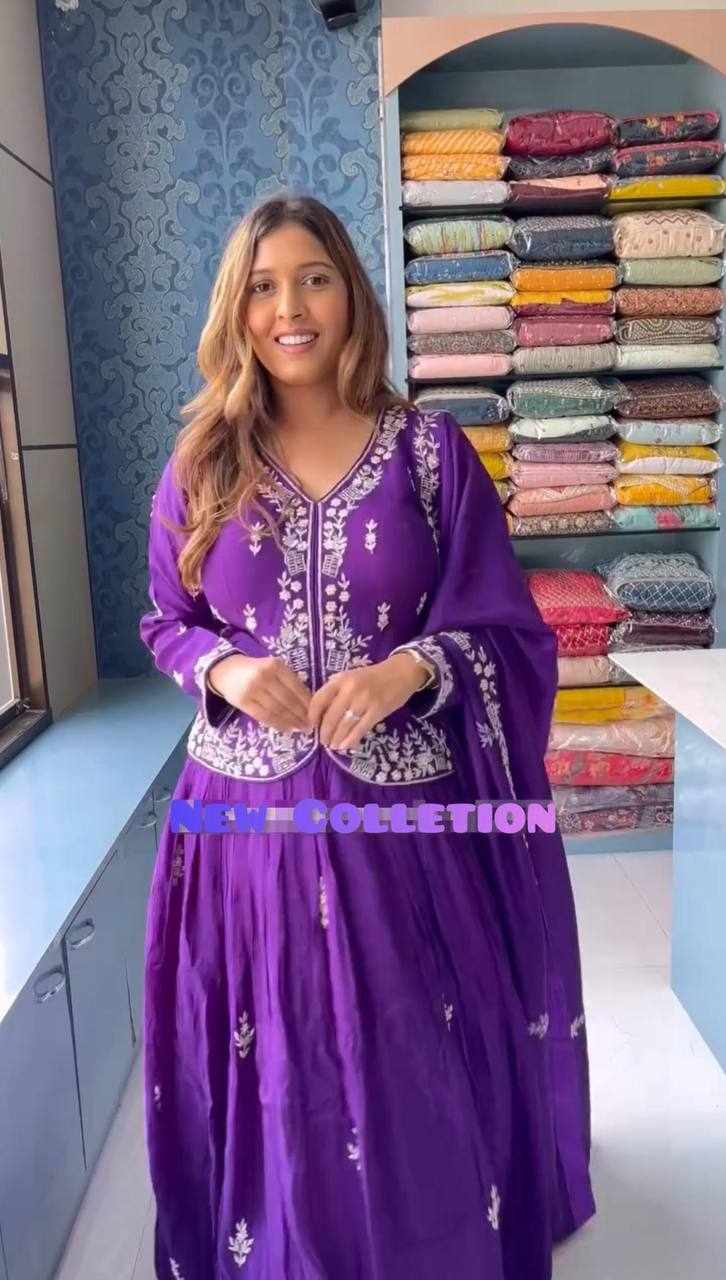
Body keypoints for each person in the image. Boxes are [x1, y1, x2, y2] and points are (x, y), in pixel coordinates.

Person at [139, 192, 596, 1280]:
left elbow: (507, 630)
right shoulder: (204, 459)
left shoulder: (429, 454)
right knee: (273, 1038)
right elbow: (166, 618)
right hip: (243, 828)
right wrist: (225, 667)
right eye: (263, 287)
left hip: (405, 829)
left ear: (351, 293)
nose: (289, 309)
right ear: (237, 309)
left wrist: (409, 670)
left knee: (410, 1035)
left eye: (314, 279)